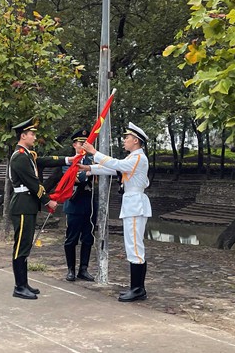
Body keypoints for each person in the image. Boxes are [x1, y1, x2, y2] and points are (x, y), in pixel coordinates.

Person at [80, 122, 151, 302]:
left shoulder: (138, 158)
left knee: (135, 247)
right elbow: (113, 168)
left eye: (127, 137)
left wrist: (94, 153)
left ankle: (137, 289)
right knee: (133, 246)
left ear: (136, 140)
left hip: (135, 205)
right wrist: (90, 168)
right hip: (132, 204)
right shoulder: (133, 158)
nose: (124, 140)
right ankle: (137, 288)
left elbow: (117, 164)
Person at [8, 117, 71, 300]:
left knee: (26, 245)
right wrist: (47, 201)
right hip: (22, 206)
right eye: (32, 134)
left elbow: (45, 160)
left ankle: (24, 283)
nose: (34, 137)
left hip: (27, 205)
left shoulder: (28, 155)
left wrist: (68, 159)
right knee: (21, 246)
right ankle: (19, 286)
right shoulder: (20, 157)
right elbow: (33, 183)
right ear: (23, 136)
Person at [63, 128, 98, 282]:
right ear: (74, 145)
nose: (83, 146)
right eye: (80, 143)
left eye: (86, 143)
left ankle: (83, 269)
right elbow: (75, 178)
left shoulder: (91, 161)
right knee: (71, 239)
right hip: (74, 204)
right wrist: (89, 172)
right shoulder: (69, 162)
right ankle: (70, 269)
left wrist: (88, 171)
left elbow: (96, 173)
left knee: (88, 238)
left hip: (89, 204)